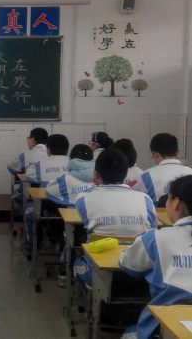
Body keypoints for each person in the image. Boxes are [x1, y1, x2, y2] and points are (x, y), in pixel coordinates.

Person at [119, 175, 192, 339]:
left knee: (128, 334)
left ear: (176, 203)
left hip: (164, 326)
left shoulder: (156, 238)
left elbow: (127, 264)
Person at [73, 148, 157, 286]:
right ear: (126, 173)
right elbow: (152, 227)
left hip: (98, 272)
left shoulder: (83, 199)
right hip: (139, 275)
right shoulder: (145, 199)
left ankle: (90, 299)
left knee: (76, 264)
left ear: (96, 174)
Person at [132, 133, 192, 206]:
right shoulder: (190, 172)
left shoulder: (146, 176)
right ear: (177, 153)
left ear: (156, 155)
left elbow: (136, 201)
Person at [8, 127, 49, 214]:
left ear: (33, 140)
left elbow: (12, 170)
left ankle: (27, 213)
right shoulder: (51, 154)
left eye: (28, 138)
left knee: (15, 195)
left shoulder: (25, 154)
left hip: (30, 192)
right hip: (51, 192)